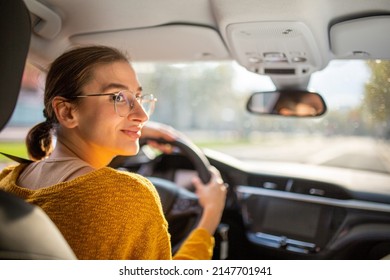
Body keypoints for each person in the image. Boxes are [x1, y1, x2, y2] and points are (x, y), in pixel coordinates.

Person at [0, 45, 227, 260]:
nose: (142, 115)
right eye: (118, 97)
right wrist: (210, 218)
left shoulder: (8, 182)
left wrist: (127, 129)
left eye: (137, 98)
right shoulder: (126, 195)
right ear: (67, 112)